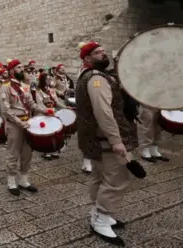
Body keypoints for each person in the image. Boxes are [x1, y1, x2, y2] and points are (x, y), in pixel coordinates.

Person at [76, 41, 137, 246]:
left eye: (103, 51)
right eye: (97, 53)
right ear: (87, 59)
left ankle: (97, 213)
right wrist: (116, 141)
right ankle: (101, 219)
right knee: (117, 178)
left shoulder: (94, 76)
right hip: (105, 139)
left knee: (99, 177)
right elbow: (103, 112)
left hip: (98, 139)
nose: (103, 54)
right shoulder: (96, 79)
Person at [0, 59, 50, 195]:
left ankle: (23, 179)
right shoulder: (5, 86)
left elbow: (31, 104)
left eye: (22, 67)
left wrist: (45, 110)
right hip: (14, 124)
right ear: (11, 70)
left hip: (28, 123)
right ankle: (11, 181)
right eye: (18, 67)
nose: (22, 70)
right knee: (13, 152)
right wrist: (19, 122)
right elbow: (6, 110)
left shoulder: (24, 86)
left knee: (27, 152)